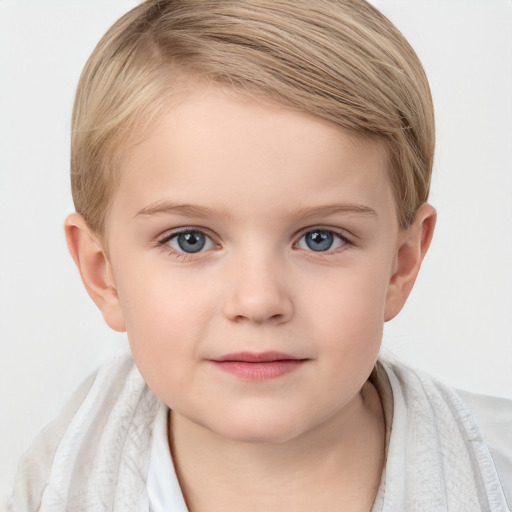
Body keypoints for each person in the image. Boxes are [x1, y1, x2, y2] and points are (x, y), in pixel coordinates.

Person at [7, 0, 512, 511]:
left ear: (401, 266)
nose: (257, 299)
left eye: (320, 238)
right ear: (103, 274)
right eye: (190, 240)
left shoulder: (498, 473)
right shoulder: (48, 490)